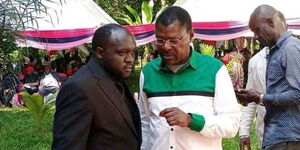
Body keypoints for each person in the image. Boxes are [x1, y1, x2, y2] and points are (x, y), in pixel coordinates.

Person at [138, 6, 240, 150]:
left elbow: (231, 125)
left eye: (174, 41)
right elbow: (145, 124)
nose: (166, 47)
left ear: (191, 35)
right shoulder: (148, 72)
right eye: (160, 40)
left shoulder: (214, 70)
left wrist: (191, 120)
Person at [52, 23, 141, 150]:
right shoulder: (79, 89)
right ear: (100, 53)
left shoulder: (115, 75)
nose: (130, 59)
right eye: (122, 52)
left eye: (133, 52)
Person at [236, 5, 300, 150]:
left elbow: (298, 93)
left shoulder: (291, 48)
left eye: (257, 30)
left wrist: (261, 97)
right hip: (277, 136)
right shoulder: (274, 51)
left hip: (288, 138)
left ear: (271, 22)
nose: (255, 37)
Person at [239, 47, 268, 150]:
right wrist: (244, 132)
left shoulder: (294, 52)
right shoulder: (255, 61)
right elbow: (250, 98)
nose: (256, 36)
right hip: (265, 131)